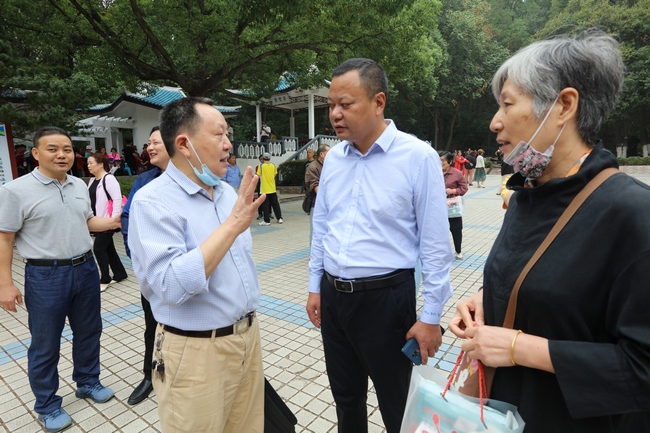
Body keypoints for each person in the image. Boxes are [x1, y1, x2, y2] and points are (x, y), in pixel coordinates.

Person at [448, 30, 650, 433]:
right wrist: (493, 298)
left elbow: (641, 369)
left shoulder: (632, 212)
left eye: (507, 103)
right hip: (503, 415)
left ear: (564, 105)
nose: (495, 122)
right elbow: (553, 287)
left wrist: (517, 346)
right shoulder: (525, 194)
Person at [306, 58, 453, 433]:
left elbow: (435, 243)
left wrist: (431, 316)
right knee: (346, 398)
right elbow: (322, 224)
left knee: (397, 405)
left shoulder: (417, 157)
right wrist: (314, 285)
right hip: (334, 299)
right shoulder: (335, 159)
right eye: (331, 105)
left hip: (386, 301)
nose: (335, 114)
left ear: (379, 101)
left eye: (346, 104)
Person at [128, 97, 267, 433]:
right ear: (184, 144)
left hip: (247, 339)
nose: (228, 144)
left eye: (228, 134)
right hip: (196, 352)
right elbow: (169, 286)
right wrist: (233, 225)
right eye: (219, 134)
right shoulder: (152, 202)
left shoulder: (226, 193)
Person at [0, 126, 120, 433]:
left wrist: (115, 220)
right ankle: (48, 405)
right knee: (45, 343)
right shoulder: (16, 190)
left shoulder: (79, 184)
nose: (62, 154)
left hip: (85, 268)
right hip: (45, 275)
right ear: (36, 153)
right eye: (52, 149)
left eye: (67, 149)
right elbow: (5, 239)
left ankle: (88, 382)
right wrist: (5, 284)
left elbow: (87, 220)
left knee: (90, 331)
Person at [121, 126, 170, 406]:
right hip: (151, 273)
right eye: (148, 142)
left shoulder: (195, 179)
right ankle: (149, 375)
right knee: (152, 326)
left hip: (184, 272)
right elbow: (127, 220)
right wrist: (137, 258)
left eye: (156, 142)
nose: (149, 148)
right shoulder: (144, 181)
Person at [86, 152, 128, 291]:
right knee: (108, 248)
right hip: (97, 220)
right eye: (88, 163)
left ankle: (105, 278)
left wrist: (114, 219)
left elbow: (116, 199)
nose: (89, 166)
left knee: (98, 248)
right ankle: (120, 273)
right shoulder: (92, 180)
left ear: (100, 164)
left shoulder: (109, 179)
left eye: (91, 163)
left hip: (107, 220)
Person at [440, 152, 468, 260]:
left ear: (450, 162)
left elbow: (464, 188)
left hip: (453, 206)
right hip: (438, 206)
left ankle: (458, 250)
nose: (440, 162)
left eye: (442, 160)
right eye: (439, 160)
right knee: (438, 229)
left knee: (456, 229)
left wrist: (453, 190)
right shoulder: (434, 172)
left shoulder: (456, 173)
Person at [304, 144, 330, 239]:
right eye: (329, 153)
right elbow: (316, 186)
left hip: (328, 203)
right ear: (322, 154)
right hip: (317, 204)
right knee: (316, 232)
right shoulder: (313, 167)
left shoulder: (327, 165)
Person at [257, 152, 283, 225]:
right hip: (272, 188)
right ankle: (279, 218)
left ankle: (266, 221)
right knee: (275, 204)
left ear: (263, 158)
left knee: (265, 205)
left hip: (264, 189)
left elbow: (258, 175)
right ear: (270, 158)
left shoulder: (261, 166)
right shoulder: (273, 165)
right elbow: (275, 174)